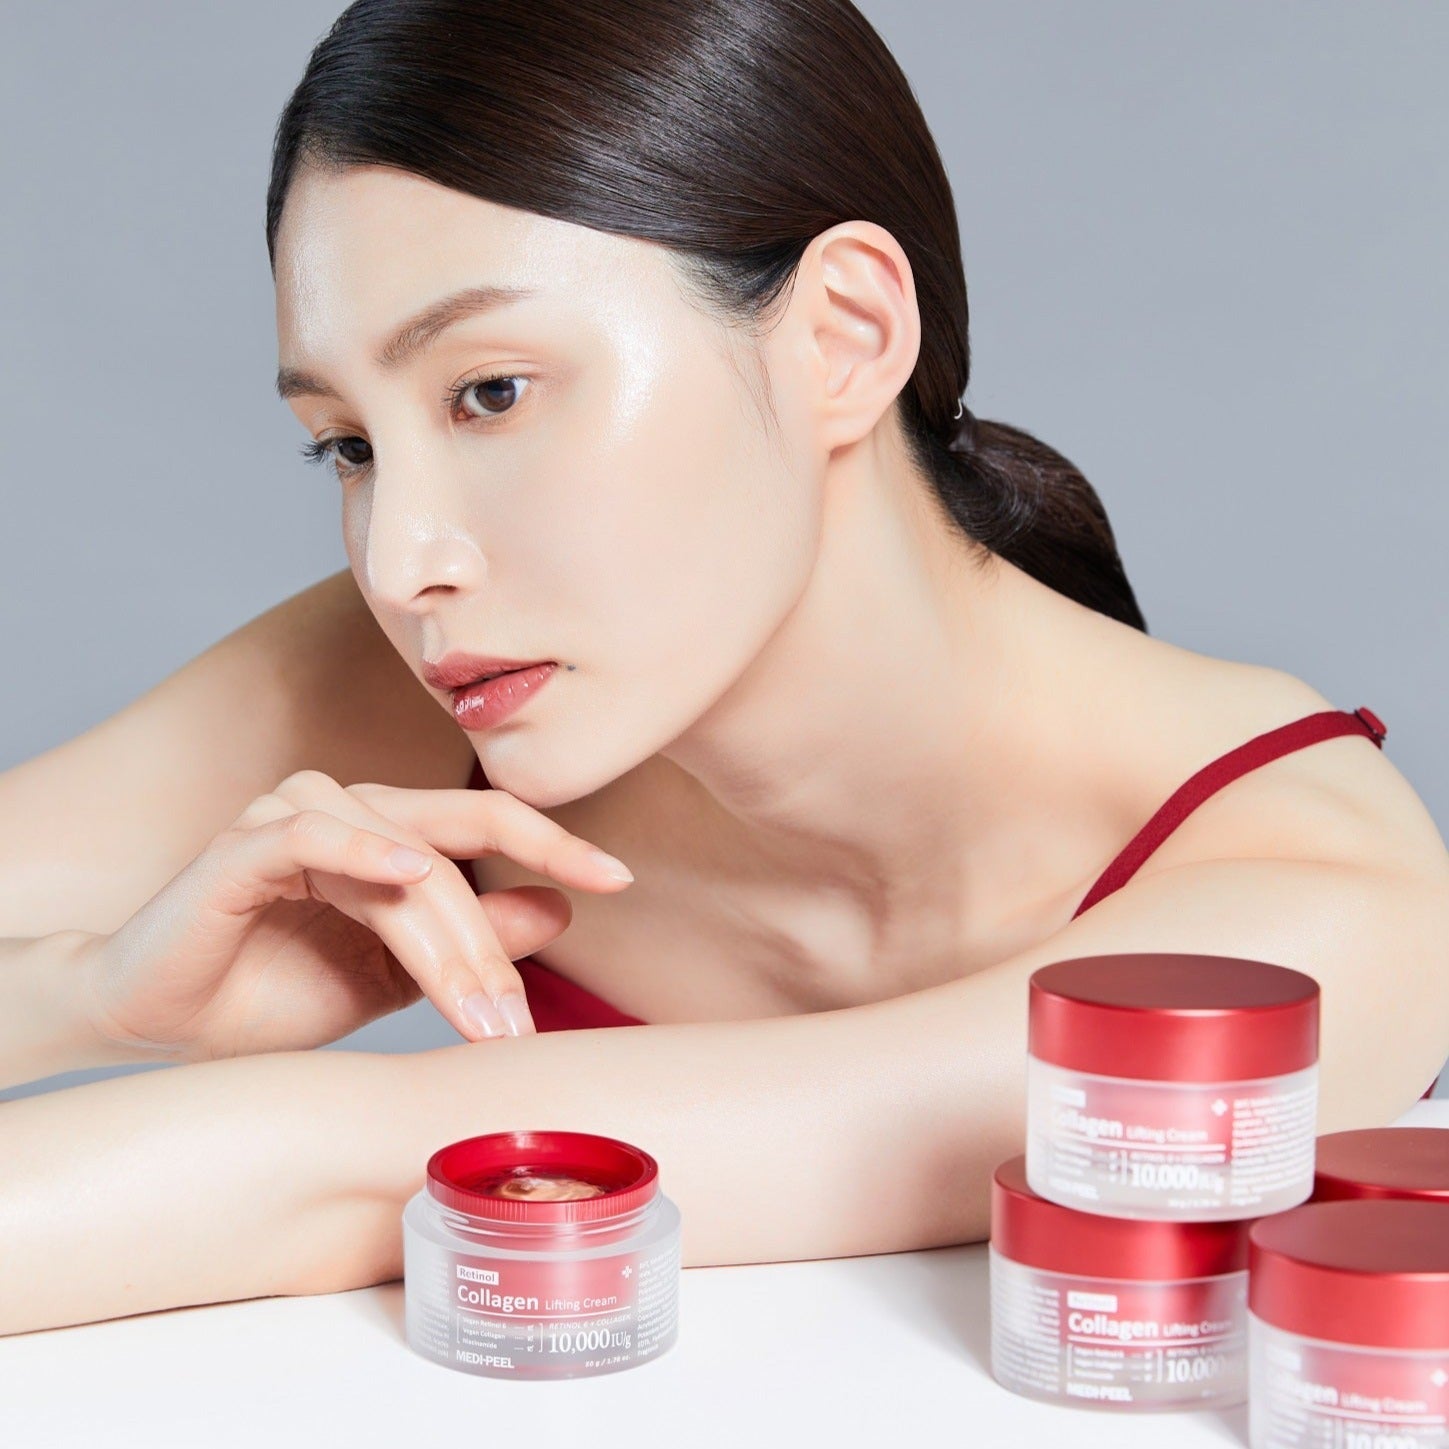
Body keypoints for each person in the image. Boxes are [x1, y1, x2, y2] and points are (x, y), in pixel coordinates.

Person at [1, 0, 1445, 1339]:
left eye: (491, 391)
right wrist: (90, 999)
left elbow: (325, 1170)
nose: (400, 561)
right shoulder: (434, 682)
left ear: (843, 337)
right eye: (349, 445)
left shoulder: (1303, 917)